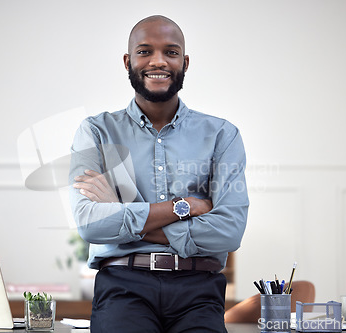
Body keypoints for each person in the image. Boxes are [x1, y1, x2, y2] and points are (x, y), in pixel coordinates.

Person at [69, 15, 249, 333]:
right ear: (128, 61)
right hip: (123, 288)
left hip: (199, 290)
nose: (158, 61)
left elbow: (229, 231)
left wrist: (123, 213)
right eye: (144, 51)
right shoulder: (95, 132)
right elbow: (90, 223)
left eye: (171, 51)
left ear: (185, 61)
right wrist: (184, 207)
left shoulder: (223, 134)